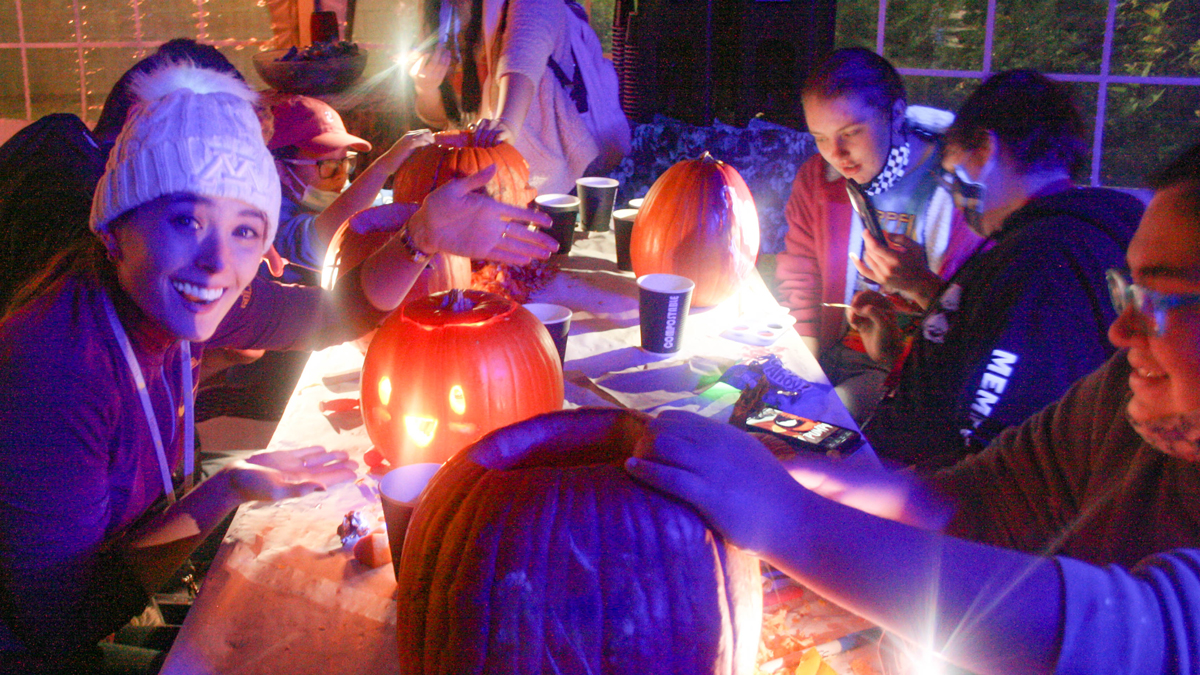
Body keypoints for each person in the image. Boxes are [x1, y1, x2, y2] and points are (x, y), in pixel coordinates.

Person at [0, 60, 555, 674]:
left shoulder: (171, 295)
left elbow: (334, 315)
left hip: (117, 595)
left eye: (245, 230)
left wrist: (422, 236)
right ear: (114, 229)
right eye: (186, 220)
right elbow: (60, 624)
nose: (218, 262)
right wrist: (227, 489)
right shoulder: (54, 373)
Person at [624, 141, 1200, 675]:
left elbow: (1126, 638)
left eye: (1164, 302)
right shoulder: (1119, 397)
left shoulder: (1041, 264)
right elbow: (986, 498)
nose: (1120, 330)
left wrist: (786, 517)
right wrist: (853, 489)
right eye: (1131, 293)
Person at [853, 69, 1143, 470]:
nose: (956, 198)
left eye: (952, 173)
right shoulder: (1089, 235)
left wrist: (892, 490)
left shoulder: (1038, 260)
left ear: (984, 151)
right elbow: (986, 339)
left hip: (931, 499)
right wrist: (902, 334)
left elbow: (989, 433)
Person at [773, 48, 982, 420]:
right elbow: (801, 276)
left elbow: (977, 322)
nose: (836, 154)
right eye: (820, 138)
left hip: (911, 372)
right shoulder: (817, 180)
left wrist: (917, 282)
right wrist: (803, 369)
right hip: (828, 352)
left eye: (851, 132)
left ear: (896, 114)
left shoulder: (963, 191)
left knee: (815, 425)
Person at [409, 0, 631, 194]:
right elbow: (444, 120)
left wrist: (507, 124)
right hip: (473, 173)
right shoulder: (437, 10)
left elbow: (524, 53)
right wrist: (426, 88)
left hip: (552, 178)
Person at [267, 95, 434, 275]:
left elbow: (386, 204)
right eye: (328, 165)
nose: (340, 175)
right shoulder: (268, 221)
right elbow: (325, 235)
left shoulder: (341, 192)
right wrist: (383, 168)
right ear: (281, 170)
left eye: (345, 161)